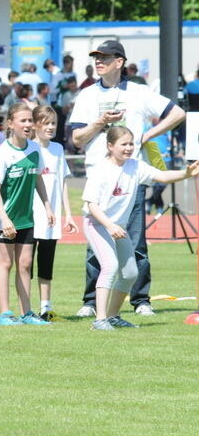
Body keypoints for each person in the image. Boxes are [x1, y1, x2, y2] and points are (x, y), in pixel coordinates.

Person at [70, 40, 185, 318]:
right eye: (96, 57)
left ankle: (141, 299)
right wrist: (99, 122)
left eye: (104, 57)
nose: (98, 61)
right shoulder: (87, 95)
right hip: (99, 175)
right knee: (96, 244)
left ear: (119, 62)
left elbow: (178, 113)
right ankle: (91, 302)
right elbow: (76, 139)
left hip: (131, 176)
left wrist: (146, 136)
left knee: (135, 241)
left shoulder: (138, 92)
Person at [83, 126, 199, 330]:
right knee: (109, 266)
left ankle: (112, 316)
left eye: (131, 144)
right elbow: (92, 205)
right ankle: (99, 320)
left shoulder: (135, 166)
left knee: (129, 273)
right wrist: (109, 225)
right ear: (110, 146)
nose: (128, 148)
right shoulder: (100, 170)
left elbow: (162, 176)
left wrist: (186, 173)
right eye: (123, 144)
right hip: (98, 224)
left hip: (118, 227)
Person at [0, 103, 54, 326]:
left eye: (30, 120)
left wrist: (47, 206)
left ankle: (27, 313)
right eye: (22, 120)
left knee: (25, 264)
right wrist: (4, 218)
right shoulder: (3, 153)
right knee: (5, 263)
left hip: (27, 218)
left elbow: (38, 178)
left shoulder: (34, 149)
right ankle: (4, 314)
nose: (27, 125)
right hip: (6, 218)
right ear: (10, 123)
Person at [31, 106, 78, 321]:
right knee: (26, 264)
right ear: (35, 125)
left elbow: (63, 182)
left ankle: (45, 308)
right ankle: (25, 309)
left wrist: (68, 214)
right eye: (46, 123)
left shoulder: (58, 149)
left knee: (46, 261)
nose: (50, 127)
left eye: (53, 123)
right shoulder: (29, 148)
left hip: (51, 218)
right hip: (30, 215)